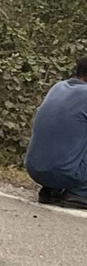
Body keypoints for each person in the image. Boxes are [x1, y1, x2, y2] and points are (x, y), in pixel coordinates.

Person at [25, 56, 87, 208]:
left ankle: (51, 190)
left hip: (35, 170)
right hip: (65, 173)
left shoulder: (58, 87)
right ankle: (80, 193)